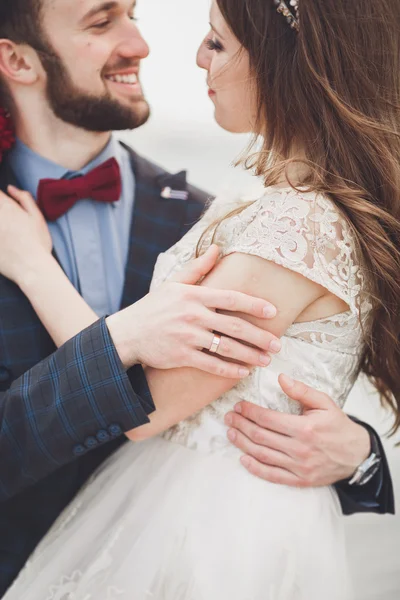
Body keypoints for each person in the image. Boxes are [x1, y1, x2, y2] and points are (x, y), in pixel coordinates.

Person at [0, 0, 396, 597]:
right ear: (16, 60)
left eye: (216, 42)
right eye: (102, 21)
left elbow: (184, 405)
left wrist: (362, 455)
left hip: (203, 547)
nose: (144, 44)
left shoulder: (227, 220)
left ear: (274, 63)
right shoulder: (243, 217)